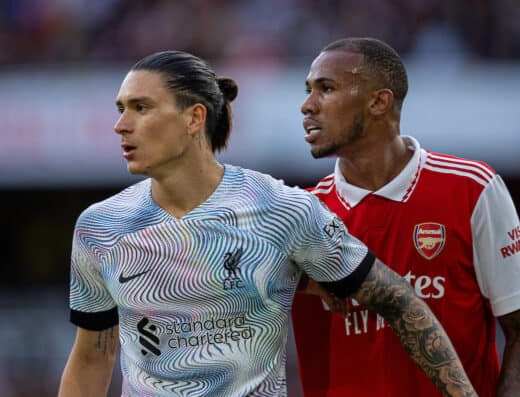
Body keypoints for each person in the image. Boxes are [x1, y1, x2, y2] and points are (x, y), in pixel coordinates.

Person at [57, 50, 477, 397]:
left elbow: (399, 300)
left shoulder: (282, 209)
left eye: (141, 108)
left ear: (193, 118)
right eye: (120, 109)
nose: (120, 125)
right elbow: (93, 355)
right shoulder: (101, 227)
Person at [292, 37, 520, 397]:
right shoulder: (297, 216)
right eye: (308, 90)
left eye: (327, 89)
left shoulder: (471, 189)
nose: (307, 106)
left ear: (379, 101)